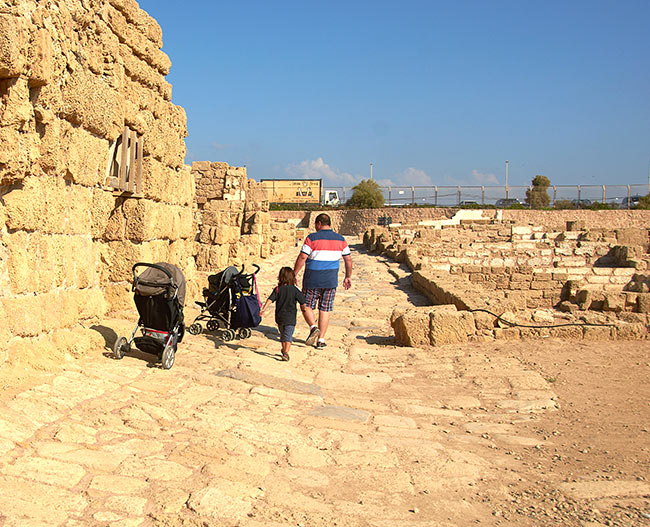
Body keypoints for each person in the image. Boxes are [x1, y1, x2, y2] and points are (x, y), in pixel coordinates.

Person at [293, 213, 352, 349]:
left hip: (312, 279)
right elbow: (348, 259)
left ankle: (313, 327)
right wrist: (348, 276)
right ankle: (321, 340)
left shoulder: (311, 238)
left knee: (306, 305)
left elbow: (303, 257)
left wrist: (294, 273)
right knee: (325, 309)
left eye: (315, 224)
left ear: (319, 223)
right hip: (330, 280)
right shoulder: (340, 239)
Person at [260, 267, 308, 361]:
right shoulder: (295, 290)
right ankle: (286, 352)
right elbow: (302, 301)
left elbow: (270, 299)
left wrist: (264, 308)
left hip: (280, 317)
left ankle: (284, 350)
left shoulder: (278, 289)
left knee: (283, 335)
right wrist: (303, 309)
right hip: (290, 318)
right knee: (288, 336)